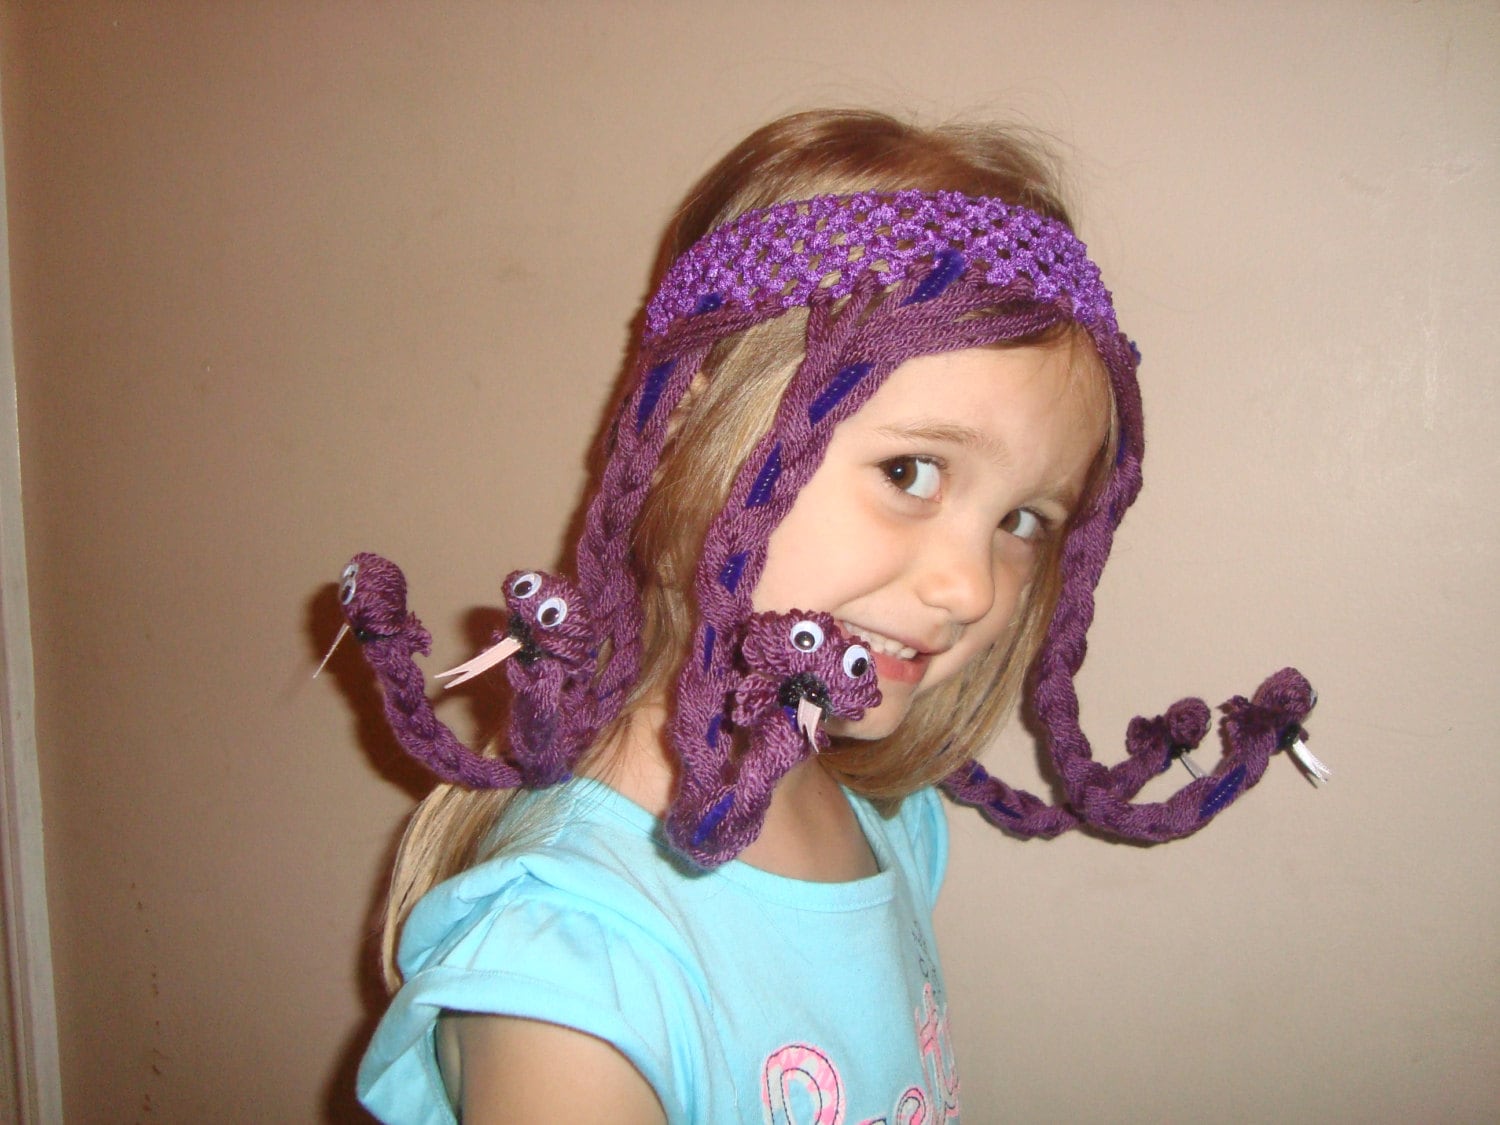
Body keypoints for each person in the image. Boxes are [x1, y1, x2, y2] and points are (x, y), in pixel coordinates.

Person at [343, 108, 1316, 1123]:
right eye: (910, 472)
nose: (973, 590)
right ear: (687, 430)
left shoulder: (883, 819)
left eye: (1023, 520)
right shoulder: (574, 989)